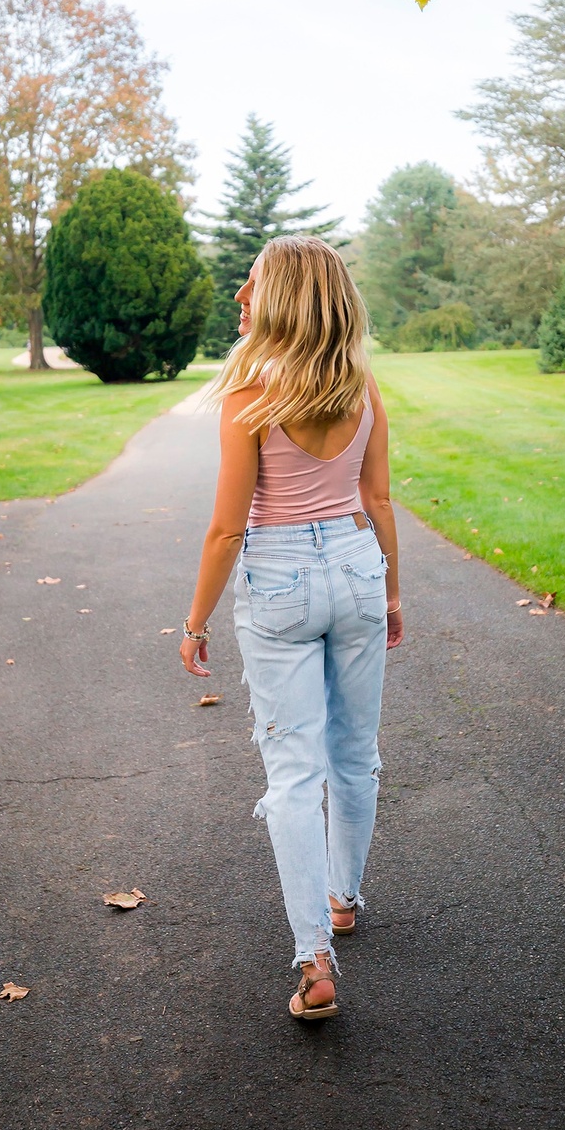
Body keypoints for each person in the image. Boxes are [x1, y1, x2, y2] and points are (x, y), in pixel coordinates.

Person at [180, 236, 404, 1021]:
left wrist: (195, 622)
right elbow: (378, 500)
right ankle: (343, 899)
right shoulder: (360, 385)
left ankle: (315, 962)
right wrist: (393, 596)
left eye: (251, 286)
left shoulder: (250, 392)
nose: (240, 297)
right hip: (358, 567)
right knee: (355, 753)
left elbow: (226, 530)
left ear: (281, 297)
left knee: (293, 774)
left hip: (278, 580)